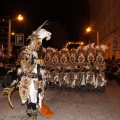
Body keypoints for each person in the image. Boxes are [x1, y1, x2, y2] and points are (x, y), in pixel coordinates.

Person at [3, 21, 53, 120]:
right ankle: (29, 114)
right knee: (26, 97)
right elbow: (21, 72)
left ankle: (34, 115)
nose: (26, 55)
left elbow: (41, 72)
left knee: (34, 98)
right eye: (26, 53)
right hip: (26, 80)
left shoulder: (38, 60)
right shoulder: (25, 59)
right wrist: (14, 84)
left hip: (34, 81)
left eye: (28, 53)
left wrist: (40, 82)